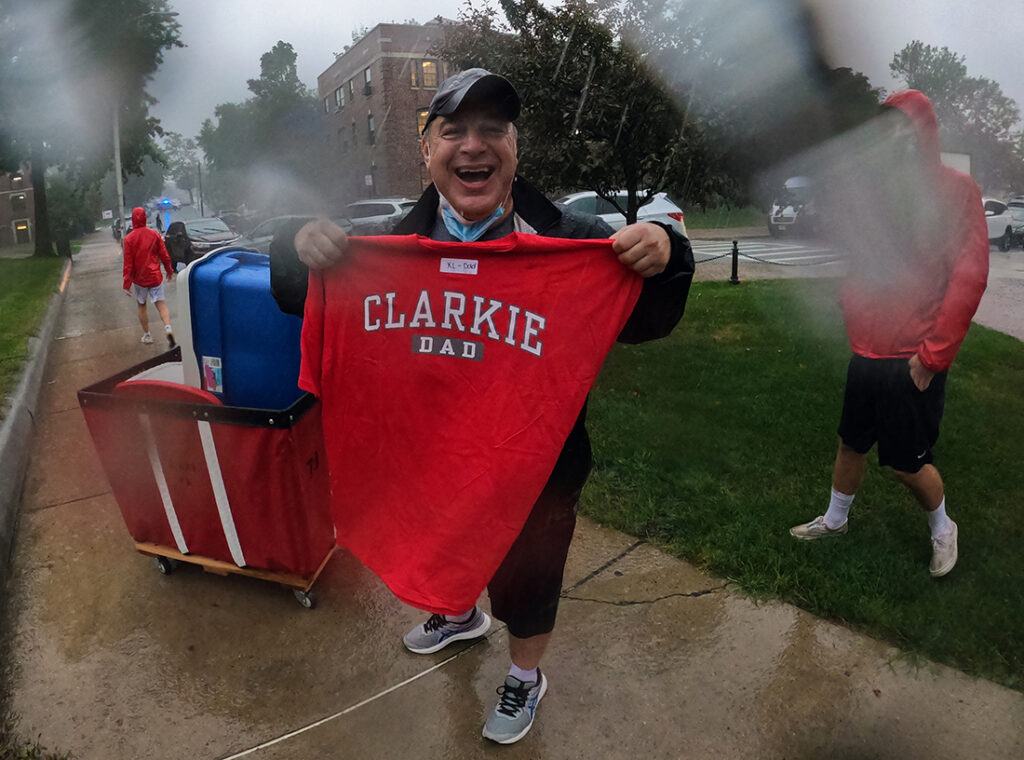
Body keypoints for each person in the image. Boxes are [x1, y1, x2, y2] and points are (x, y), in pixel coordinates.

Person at [270, 68, 694, 744]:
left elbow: (648, 318)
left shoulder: (572, 242)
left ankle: (525, 675)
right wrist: (296, 241)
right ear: (428, 152)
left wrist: (669, 252)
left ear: (516, 149)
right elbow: (298, 289)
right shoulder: (387, 242)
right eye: (454, 131)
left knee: (528, 576)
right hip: (433, 454)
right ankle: (459, 614)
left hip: (536, 464)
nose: (474, 146)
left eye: (492, 130)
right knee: (445, 537)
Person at [790, 90, 989, 578]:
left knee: (905, 464)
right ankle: (835, 521)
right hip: (866, 352)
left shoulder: (956, 190)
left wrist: (932, 358)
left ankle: (944, 530)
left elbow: (970, 275)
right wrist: (850, 304)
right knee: (850, 443)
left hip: (912, 358)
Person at [122, 206, 176, 347]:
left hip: (139, 279)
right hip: (155, 277)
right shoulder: (154, 234)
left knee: (142, 305)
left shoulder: (129, 239)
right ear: (145, 218)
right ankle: (168, 328)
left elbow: (128, 264)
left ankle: (147, 335)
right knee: (161, 305)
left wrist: (126, 283)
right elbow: (164, 255)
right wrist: (169, 270)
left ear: (133, 220)